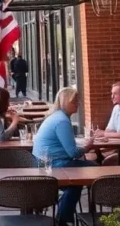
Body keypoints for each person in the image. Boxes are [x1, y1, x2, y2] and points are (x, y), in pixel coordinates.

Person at [32, 87, 95, 226]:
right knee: (94, 169)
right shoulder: (62, 121)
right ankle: (65, 218)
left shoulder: (56, 117)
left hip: (41, 162)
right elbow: (73, 153)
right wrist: (87, 147)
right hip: (51, 165)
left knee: (75, 184)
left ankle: (63, 217)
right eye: (75, 101)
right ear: (66, 102)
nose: (78, 103)